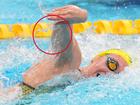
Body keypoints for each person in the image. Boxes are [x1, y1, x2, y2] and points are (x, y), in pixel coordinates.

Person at [0, 5, 132, 98]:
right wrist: (80, 16)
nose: (109, 72)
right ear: (96, 58)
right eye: (112, 64)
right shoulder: (71, 64)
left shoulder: (77, 85)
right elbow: (63, 39)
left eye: (115, 74)